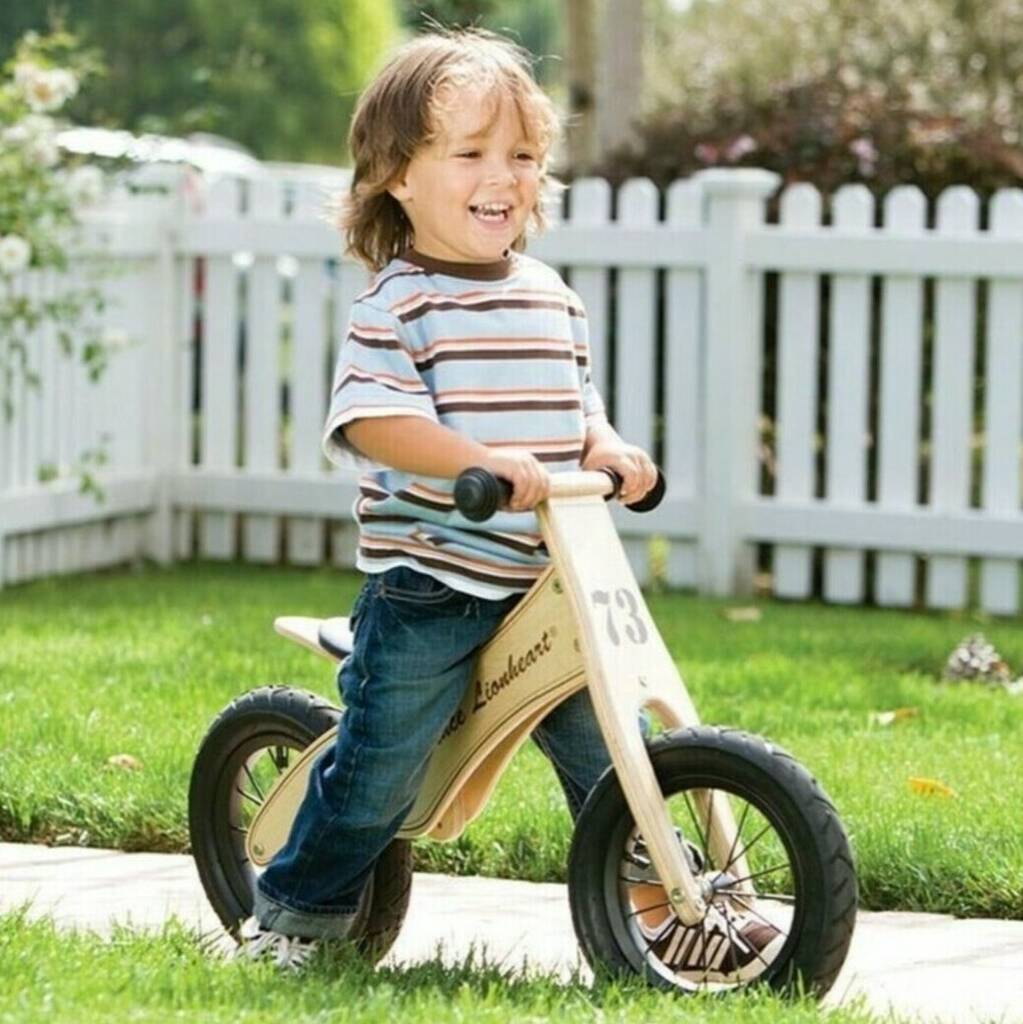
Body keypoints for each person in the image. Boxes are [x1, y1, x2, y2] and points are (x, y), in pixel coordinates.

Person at [232, 26, 782, 980]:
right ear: (398, 174)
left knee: (618, 753)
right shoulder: (397, 305)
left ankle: (668, 912)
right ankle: (291, 914)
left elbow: (579, 410)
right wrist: (476, 460)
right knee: (381, 770)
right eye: (471, 152)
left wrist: (609, 452)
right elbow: (373, 421)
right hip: (429, 586)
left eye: (522, 155)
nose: (505, 174)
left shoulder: (549, 296)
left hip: (542, 580)